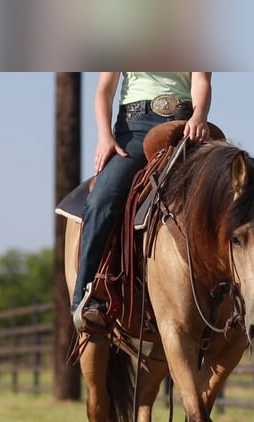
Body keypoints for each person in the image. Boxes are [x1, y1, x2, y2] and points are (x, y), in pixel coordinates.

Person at [72, 72, 213, 329]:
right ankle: (86, 295)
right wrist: (105, 137)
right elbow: (104, 90)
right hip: (134, 129)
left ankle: (239, 297)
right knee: (101, 200)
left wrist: (199, 116)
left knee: (225, 194)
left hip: (184, 126)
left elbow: (201, 81)